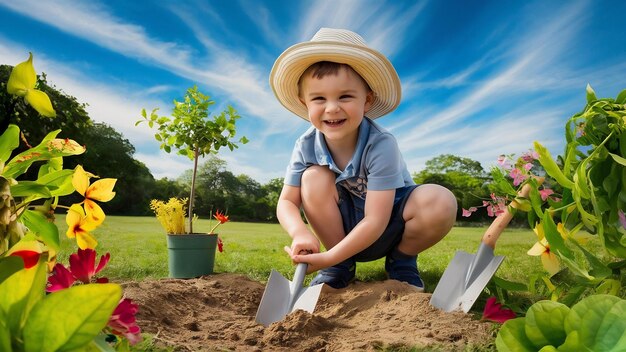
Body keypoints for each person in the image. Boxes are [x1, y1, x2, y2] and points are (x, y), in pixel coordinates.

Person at [270, 28, 457, 291]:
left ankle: (402, 261)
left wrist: (325, 258)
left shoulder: (381, 144)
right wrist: (300, 232)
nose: (332, 107)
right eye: (319, 98)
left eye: (345, 96)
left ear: (367, 100)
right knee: (313, 178)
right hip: (341, 231)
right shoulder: (305, 145)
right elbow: (287, 201)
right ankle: (341, 268)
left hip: (388, 225)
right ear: (305, 104)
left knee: (440, 201)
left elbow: (375, 220)